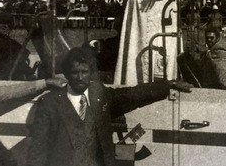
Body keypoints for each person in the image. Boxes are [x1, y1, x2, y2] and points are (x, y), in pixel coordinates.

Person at [26, 46, 192, 166]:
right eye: (75, 73)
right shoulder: (49, 103)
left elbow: (132, 95)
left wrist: (168, 85)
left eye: (84, 72)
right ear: (67, 74)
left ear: (90, 74)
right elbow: (37, 152)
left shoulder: (99, 95)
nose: (80, 77)